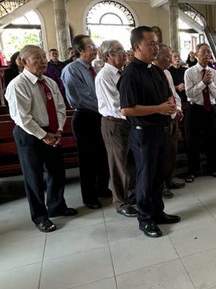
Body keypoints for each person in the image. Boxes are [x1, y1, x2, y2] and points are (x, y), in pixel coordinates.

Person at [5, 45, 77, 232]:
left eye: (44, 57)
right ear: (24, 62)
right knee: (34, 178)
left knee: (57, 171)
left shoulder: (49, 82)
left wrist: (58, 130)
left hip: (52, 131)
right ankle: (40, 217)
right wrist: (44, 136)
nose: (43, 61)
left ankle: (56, 205)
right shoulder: (18, 85)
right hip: (29, 134)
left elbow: (60, 107)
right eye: (37, 57)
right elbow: (22, 117)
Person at [119, 26, 180, 238]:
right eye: (151, 43)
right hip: (144, 133)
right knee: (145, 178)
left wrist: (170, 104)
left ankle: (157, 212)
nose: (156, 47)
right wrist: (158, 109)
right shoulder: (130, 73)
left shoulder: (155, 71)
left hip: (161, 130)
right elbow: (127, 109)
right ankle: (145, 219)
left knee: (159, 176)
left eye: (156, 43)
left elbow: (167, 96)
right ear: (137, 46)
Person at [61, 34, 110, 208]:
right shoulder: (72, 69)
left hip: (100, 115)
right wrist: (106, 108)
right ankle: (89, 197)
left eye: (94, 45)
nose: (95, 49)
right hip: (85, 117)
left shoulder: (94, 68)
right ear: (80, 50)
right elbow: (82, 98)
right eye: (90, 46)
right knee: (88, 159)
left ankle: (102, 188)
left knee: (103, 155)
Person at [95, 40, 137, 218]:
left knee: (131, 161)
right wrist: (139, 112)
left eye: (123, 49)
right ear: (108, 56)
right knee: (118, 164)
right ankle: (120, 202)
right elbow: (116, 105)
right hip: (115, 123)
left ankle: (131, 194)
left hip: (129, 121)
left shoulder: (124, 72)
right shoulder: (104, 76)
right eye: (118, 51)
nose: (124, 53)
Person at [184, 43, 216, 182]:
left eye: (208, 52)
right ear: (196, 54)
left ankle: (212, 168)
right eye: (203, 52)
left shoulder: (214, 73)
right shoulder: (189, 72)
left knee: (211, 139)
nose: (207, 55)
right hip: (195, 109)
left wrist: (209, 83)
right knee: (193, 141)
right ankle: (192, 171)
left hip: (210, 109)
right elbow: (189, 93)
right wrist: (202, 83)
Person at [154, 43, 185, 196]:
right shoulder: (152, 73)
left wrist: (178, 108)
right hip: (160, 120)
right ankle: (160, 185)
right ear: (157, 56)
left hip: (172, 117)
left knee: (171, 151)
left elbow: (174, 94)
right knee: (161, 154)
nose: (170, 59)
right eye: (167, 56)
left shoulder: (167, 73)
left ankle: (169, 179)